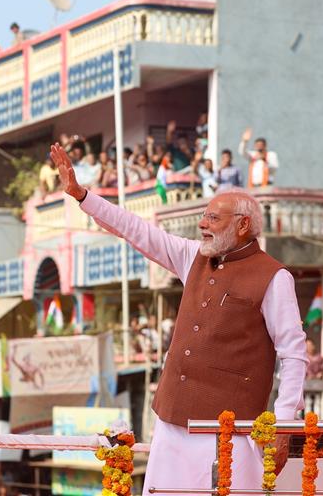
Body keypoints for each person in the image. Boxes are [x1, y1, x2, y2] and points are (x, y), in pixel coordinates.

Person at [50, 142, 307, 494]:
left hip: (227, 434)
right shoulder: (193, 257)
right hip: (170, 423)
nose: (202, 224)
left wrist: (284, 424)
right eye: (204, 216)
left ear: (243, 225)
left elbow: (293, 355)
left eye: (213, 218)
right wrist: (82, 196)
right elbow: (136, 230)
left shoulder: (275, 278)